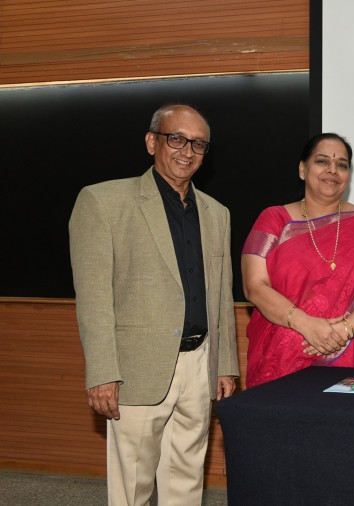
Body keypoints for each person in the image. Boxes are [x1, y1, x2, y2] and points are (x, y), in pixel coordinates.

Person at [69, 104, 239, 505]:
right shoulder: (103, 201)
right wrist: (102, 372)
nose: (187, 150)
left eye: (198, 143)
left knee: (187, 476)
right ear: (152, 142)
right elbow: (93, 298)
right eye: (176, 138)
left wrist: (225, 364)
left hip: (199, 364)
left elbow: (220, 293)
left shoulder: (217, 213)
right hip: (134, 369)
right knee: (133, 486)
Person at [241, 133, 354, 387]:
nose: (332, 170)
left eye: (342, 165)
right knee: (281, 423)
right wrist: (307, 325)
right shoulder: (274, 219)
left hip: (350, 352)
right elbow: (254, 286)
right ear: (303, 169)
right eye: (322, 161)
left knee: (348, 425)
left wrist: (343, 331)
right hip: (282, 356)